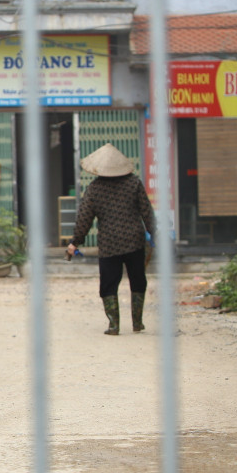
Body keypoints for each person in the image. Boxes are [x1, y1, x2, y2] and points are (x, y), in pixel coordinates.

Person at [66, 143, 155, 335]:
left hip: (109, 244)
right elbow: (147, 212)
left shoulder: (95, 189)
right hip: (134, 241)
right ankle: (137, 323)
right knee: (138, 280)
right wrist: (155, 233)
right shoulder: (134, 183)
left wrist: (75, 242)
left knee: (108, 283)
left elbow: (84, 219)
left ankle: (114, 325)